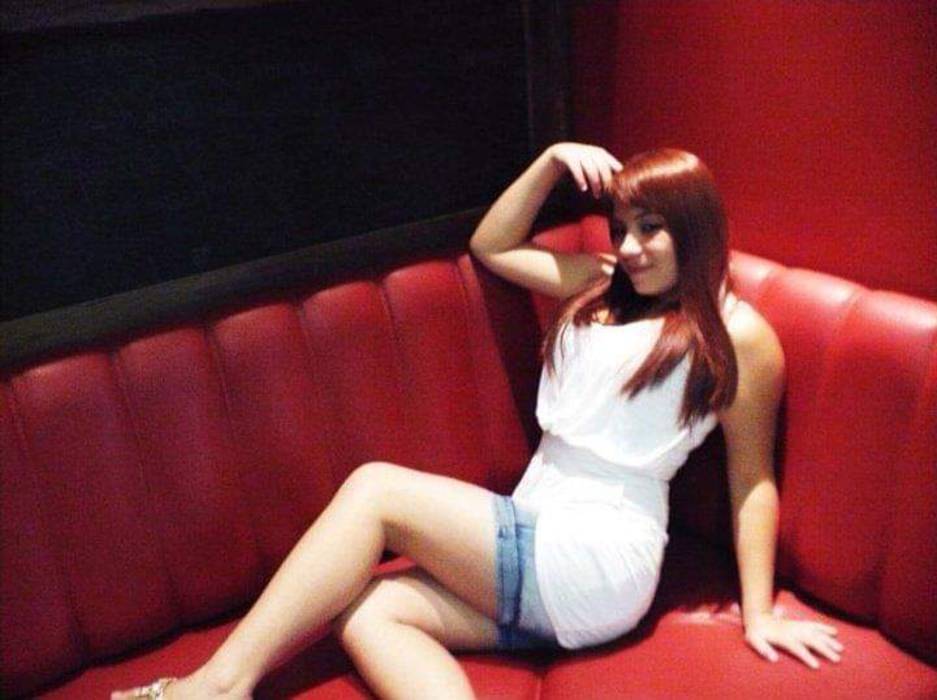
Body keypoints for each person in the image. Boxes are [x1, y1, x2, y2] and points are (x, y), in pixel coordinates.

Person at [114, 143, 843, 700]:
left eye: (651, 229)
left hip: (597, 556)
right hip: (535, 539)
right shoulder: (601, 285)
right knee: (368, 611)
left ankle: (215, 688)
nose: (628, 248)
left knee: (375, 490)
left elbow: (752, 482)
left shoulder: (738, 336)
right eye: (621, 227)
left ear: (695, 226)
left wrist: (758, 614)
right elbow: (493, 246)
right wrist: (551, 160)